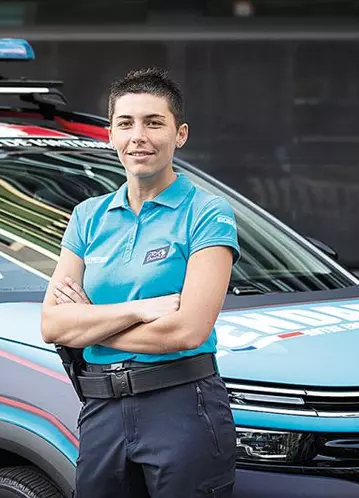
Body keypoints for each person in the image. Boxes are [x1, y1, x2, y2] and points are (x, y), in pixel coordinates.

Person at [41, 68, 240, 498]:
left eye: (154, 122)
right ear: (110, 134)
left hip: (182, 407)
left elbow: (188, 329)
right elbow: (53, 326)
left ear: (179, 134)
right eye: (125, 124)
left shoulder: (207, 213)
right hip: (101, 410)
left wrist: (91, 319)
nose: (139, 136)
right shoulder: (88, 217)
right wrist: (138, 309)